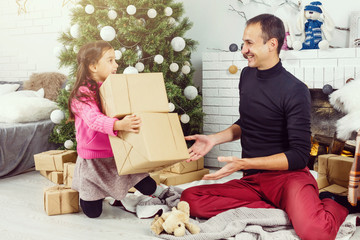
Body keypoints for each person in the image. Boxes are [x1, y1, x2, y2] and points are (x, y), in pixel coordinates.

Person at [180, 14, 348, 240]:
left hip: (288, 179)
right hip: (253, 181)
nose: (243, 49)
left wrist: (245, 162)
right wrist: (214, 139)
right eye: (243, 43)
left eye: (250, 43)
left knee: (316, 232)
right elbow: (247, 123)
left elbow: (299, 156)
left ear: (272, 44)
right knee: (191, 199)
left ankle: (333, 203)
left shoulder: (294, 90)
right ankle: (286, 209)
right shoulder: (246, 76)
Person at [69, 40, 165, 218]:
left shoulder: (113, 87)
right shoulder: (82, 94)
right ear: (93, 66)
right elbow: (93, 119)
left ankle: (123, 194)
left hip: (118, 154)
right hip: (94, 160)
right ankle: (94, 194)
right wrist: (118, 124)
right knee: (92, 212)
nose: (116, 65)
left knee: (150, 187)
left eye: (115, 60)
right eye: (110, 60)